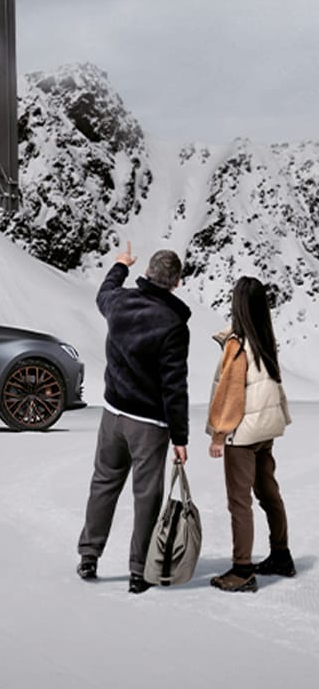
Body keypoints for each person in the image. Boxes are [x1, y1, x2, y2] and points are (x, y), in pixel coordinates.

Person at [77, 242, 190, 594]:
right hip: (148, 425)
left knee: (104, 484)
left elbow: (104, 292)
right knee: (146, 496)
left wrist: (120, 264)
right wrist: (180, 437)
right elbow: (174, 387)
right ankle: (138, 572)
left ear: (147, 275)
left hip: (113, 414)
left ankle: (89, 556)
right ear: (176, 283)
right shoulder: (173, 325)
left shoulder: (120, 302)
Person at [207, 276, 294, 592]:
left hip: (242, 435)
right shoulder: (264, 339)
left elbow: (230, 393)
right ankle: (281, 555)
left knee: (239, 502)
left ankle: (242, 571)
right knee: (268, 491)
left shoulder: (238, 345)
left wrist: (219, 434)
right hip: (265, 430)